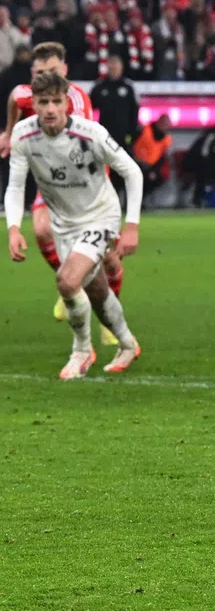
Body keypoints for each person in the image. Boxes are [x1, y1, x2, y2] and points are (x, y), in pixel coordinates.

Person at [4, 71, 143, 379]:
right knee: (96, 290)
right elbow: (15, 186)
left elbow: (132, 172)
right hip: (64, 224)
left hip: (100, 216)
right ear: (34, 105)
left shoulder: (90, 133)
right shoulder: (24, 135)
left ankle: (81, 351)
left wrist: (131, 225)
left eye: (56, 101)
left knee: (67, 281)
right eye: (43, 102)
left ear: (67, 103)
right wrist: (13, 228)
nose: (50, 109)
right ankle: (127, 344)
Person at [0, 42, 126, 344]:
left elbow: (88, 151)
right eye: (40, 73)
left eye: (54, 71)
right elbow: (15, 99)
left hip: (90, 184)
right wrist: (8, 132)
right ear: (33, 74)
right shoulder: (27, 94)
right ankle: (72, 280)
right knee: (42, 229)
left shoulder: (76, 101)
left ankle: (108, 321)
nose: (47, 78)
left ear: (65, 71)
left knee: (109, 258)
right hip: (56, 181)